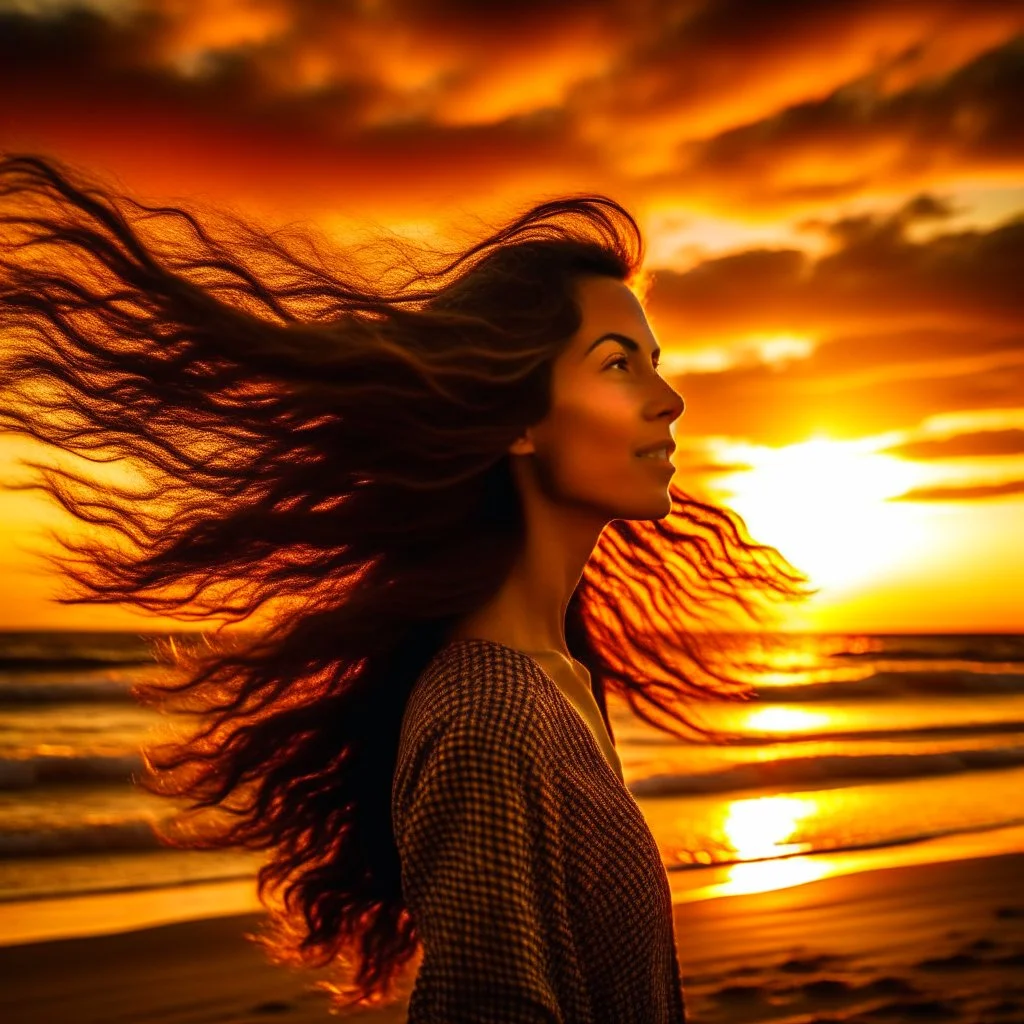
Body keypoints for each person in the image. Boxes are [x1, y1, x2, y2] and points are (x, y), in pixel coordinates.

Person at [0, 152, 815, 1020]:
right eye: (620, 364)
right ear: (518, 419)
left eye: (654, 361)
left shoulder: (561, 673)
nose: (671, 398)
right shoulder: (487, 715)